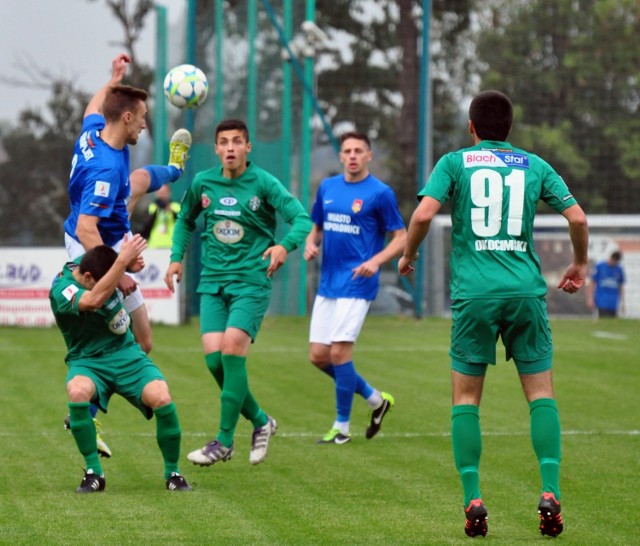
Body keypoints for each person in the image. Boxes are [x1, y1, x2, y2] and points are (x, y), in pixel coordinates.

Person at [398, 91, 589, 538]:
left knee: (466, 401)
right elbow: (577, 219)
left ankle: (473, 499)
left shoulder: (454, 163)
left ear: (472, 126)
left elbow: (424, 214)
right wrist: (579, 264)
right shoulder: (534, 165)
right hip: (525, 291)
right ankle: (550, 491)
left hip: (475, 295)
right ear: (510, 127)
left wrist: (408, 254)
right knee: (541, 396)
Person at [62, 52, 192, 457]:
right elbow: (87, 228)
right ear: (128, 120)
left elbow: (93, 108)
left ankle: (172, 169)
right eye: (143, 117)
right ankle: (85, 409)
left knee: (145, 340)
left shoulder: (96, 133)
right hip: (96, 246)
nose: (146, 123)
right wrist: (117, 270)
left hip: (112, 234)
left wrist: (114, 78)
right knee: (128, 339)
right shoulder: (104, 171)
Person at [164, 119, 313, 467]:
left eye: (236, 142)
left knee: (232, 349)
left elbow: (301, 219)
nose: (230, 147)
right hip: (213, 282)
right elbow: (185, 220)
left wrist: (283, 247)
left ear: (248, 148)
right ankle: (261, 421)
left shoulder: (264, 182)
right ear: (215, 148)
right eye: (223, 142)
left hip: (251, 281)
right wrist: (175, 259)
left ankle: (224, 441)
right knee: (215, 361)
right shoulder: (203, 181)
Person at [49, 235, 192, 493]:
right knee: (78, 391)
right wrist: (120, 268)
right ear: (89, 278)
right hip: (88, 360)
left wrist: (127, 266)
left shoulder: (92, 264)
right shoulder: (62, 289)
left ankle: (173, 473)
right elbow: (92, 301)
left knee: (161, 396)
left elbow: (110, 263)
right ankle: (94, 473)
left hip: (126, 354)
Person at [304, 131, 406, 444]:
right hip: (329, 282)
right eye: (347, 150)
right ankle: (376, 400)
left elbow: (401, 237)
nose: (352, 156)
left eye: (358, 151)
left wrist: (376, 261)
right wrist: (311, 242)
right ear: (341, 156)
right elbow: (317, 226)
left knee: (339, 352)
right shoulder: (328, 187)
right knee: (318, 356)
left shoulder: (380, 193)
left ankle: (342, 427)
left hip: (358, 283)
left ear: (368, 156)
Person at [139, 184, 181, 249]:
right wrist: (155, 212)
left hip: (171, 244)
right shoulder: (151, 207)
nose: (162, 195)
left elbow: (180, 224)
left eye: (164, 192)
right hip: (154, 244)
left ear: (169, 193)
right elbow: (145, 227)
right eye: (160, 193)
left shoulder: (176, 207)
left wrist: (171, 212)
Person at [587, 250, 625, 317]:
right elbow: (592, 283)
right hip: (601, 301)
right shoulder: (600, 266)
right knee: (603, 321)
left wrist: (623, 302)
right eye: (613, 261)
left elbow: (621, 286)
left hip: (613, 302)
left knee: (612, 324)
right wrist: (590, 298)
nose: (614, 263)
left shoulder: (619, 269)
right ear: (611, 258)